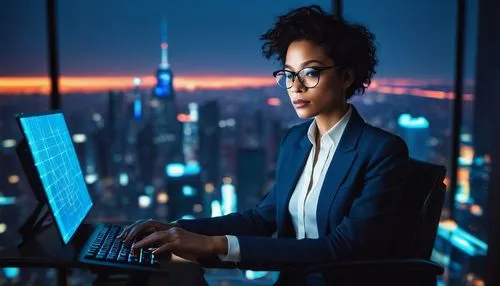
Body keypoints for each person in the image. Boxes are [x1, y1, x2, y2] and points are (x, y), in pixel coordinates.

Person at [118, 5, 411, 285]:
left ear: (346, 76)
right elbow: (261, 218)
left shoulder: (381, 151)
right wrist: (176, 228)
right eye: (288, 73)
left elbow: (344, 247)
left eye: (310, 72)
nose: (295, 86)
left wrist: (214, 245)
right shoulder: (296, 141)